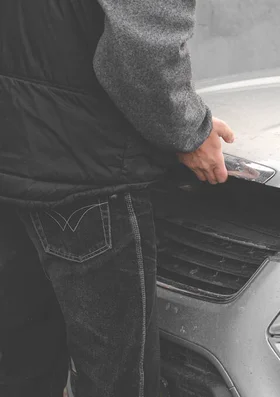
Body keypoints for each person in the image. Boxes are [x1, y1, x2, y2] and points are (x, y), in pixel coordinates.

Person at [0, 0, 234, 396]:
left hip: (13, 160)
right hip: (87, 175)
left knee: (22, 369)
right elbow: (141, 50)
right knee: (117, 383)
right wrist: (189, 130)